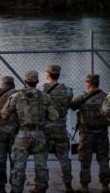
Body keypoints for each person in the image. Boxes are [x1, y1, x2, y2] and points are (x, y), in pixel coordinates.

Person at [1, 70, 58, 193]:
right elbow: (54, 116)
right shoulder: (45, 97)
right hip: (40, 134)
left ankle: (16, 189)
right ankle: (40, 188)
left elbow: (4, 114)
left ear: (25, 81)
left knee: (19, 165)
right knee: (41, 165)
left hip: (23, 134)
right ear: (37, 82)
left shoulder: (16, 96)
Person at [70, 74, 109, 193]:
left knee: (85, 161)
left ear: (89, 83)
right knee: (103, 160)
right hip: (102, 134)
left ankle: (85, 187)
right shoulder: (106, 97)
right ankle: (105, 186)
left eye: (86, 82)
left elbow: (72, 106)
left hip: (86, 135)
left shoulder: (81, 97)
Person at [42, 65, 74, 193]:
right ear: (58, 75)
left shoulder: (41, 89)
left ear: (47, 74)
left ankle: (41, 185)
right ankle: (68, 186)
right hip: (61, 127)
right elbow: (70, 104)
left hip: (45, 129)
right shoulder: (67, 90)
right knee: (64, 157)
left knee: (42, 157)